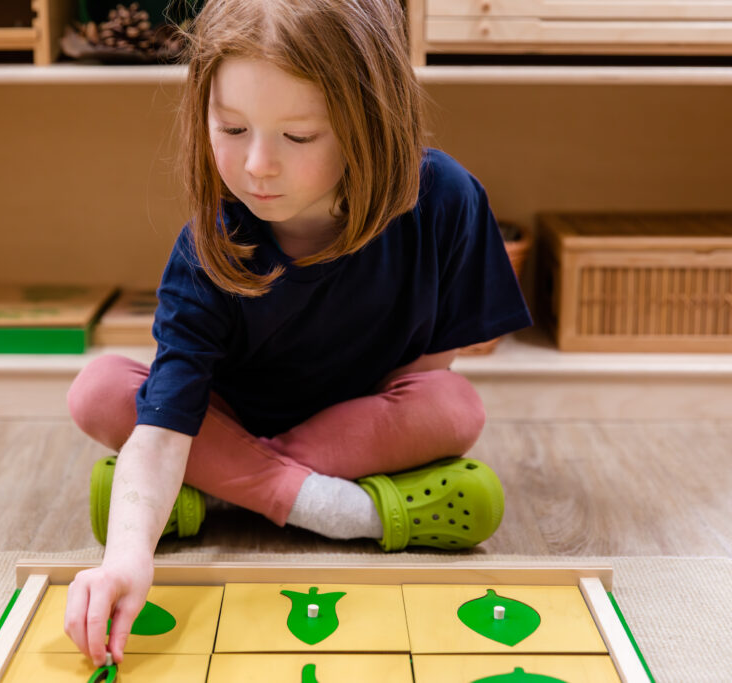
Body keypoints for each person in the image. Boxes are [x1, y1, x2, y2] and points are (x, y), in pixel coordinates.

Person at [63, 0, 531, 667]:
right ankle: (346, 510)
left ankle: (219, 488)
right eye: (230, 127)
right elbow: (167, 425)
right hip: (220, 419)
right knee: (101, 388)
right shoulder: (209, 247)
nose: (257, 165)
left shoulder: (447, 199)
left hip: (352, 424)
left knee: (456, 408)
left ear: (371, 121)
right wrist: (125, 557)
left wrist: (226, 468)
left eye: (299, 137)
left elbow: (424, 379)